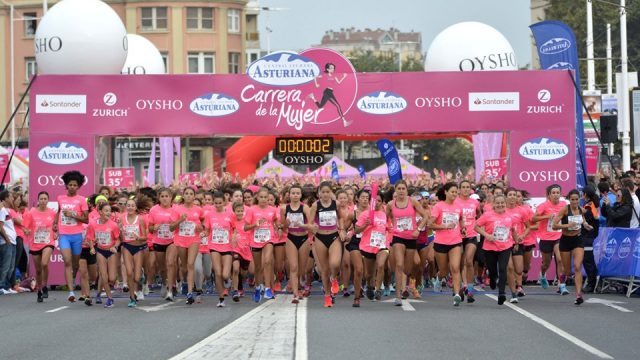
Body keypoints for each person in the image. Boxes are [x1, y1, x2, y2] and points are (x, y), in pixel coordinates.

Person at [386, 180, 429, 306]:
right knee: (399, 265)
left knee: (408, 268)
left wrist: (418, 229)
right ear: (395, 190)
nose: (401, 191)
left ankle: (406, 283)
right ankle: (398, 295)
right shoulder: (390, 204)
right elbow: (386, 217)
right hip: (398, 237)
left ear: (406, 190)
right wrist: (391, 227)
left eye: (403, 188)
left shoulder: (413, 202)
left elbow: (425, 216)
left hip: (411, 237)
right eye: (398, 188)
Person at [428, 182, 466, 306]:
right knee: (444, 271)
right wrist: (444, 226)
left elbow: (460, 219)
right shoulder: (439, 206)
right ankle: (439, 278)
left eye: (456, 192)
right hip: (441, 243)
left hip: (456, 241)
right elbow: (430, 224)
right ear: (446, 192)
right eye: (452, 192)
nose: (455, 194)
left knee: (455, 268)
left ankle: (456, 295)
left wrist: (463, 228)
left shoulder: (458, 206)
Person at [475, 195, 518, 305]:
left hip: (505, 246)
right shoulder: (487, 215)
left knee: (503, 269)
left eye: (502, 203)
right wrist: (486, 235)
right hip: (490, 247)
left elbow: (513, 231)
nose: (500, 205)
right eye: (497, 203)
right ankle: (492, 278)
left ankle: (501, 293)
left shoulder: (510, 216)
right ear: (493, 204)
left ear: (505, 203)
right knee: (493, 270)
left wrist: (516, 242)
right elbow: (476, 226)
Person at [552, 189, 593, 305]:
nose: (575, 202)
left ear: (579, 199)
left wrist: (586, 225)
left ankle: (579, 295)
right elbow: (554, 225)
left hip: (578, 240)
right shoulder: (565, 209)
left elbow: (582, 221)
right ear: (569, 200)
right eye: (572, 199)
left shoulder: (580, 209)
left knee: (577, 266)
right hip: (565, 241)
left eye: (576, 199)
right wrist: (567, 225)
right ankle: (562, 278)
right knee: (567, 271)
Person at [309, 181, 346, 308]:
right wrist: (312, 227)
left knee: (335, 264)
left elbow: (340, 218)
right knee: (324, 270)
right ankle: (327, 297)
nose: (325, 194)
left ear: (331, 193)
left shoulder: (336, 204)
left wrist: (342, 230)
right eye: (323, 192)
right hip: (320, 237)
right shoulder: (315, 205)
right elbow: (309, 222)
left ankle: (334, 278)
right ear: (319, 193)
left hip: (334, 235)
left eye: (327, 192)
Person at [57, 170, 89, 302]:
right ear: (66, 185)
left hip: (77, 235)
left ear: (79, 186)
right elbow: (58, 212)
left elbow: (86, 220)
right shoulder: (60, 198)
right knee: (67, 261)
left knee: (75, 264)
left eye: (75, 185)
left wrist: (73, 215)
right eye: (70, 184)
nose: (72, 187)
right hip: (64, 234)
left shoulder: (81, 200)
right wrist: (54, 223)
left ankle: (74, 278)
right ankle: (70, 292)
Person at [244, 187, 281, 302]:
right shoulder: (252, 210)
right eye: (261, 197)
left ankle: (268, 288)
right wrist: (255, 224)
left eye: (266, 197)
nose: (264, 199)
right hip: (255, 241)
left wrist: (277, 226)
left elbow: (276, 221)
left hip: (269, 239)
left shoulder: (272, 209)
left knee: (268, 261)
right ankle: (258, 287)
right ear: (257, 198)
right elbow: (245, 227)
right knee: (258, 267)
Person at [354, 191, 391, 305]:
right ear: (371, 201)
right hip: (368, 246)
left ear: (382, 202)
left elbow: (388, 228)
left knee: (380, 265)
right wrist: (366, 224)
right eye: (376, 201)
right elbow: (356, 230)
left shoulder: (384, 214)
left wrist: (389, 237)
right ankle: (370, 286)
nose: (377, 203)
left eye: (380, 201)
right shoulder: (365, 214)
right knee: (368, 274)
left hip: (382, 245)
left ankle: (378, 289)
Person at [147, 188, 181, 301]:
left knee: (171, 263)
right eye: (162, 196)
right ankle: (164, 281)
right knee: (162, 268)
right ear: (159, 198)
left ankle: (170, 290)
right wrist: (154, 227)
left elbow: (180, 225)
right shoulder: (153, 210)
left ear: (171, 197)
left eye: (167, 196)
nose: (165, 198)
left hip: (173, 240)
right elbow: (150, 228)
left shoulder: (176, 209)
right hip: (158, 241)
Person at [281, 184, 312, 304]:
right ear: (289, 194)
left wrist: (302, 225)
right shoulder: (284, 208)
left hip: (304, 239)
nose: (295, 195)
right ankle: (295, 293)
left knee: (301, 269)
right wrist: (286, 225)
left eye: (297, 193)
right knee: (293, 267)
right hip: (291, 238)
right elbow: (283, 228)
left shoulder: (305, 208)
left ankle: (297, 285)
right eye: (293, 193)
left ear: (300, 195)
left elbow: (310, 225)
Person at [531, 184, 566, 290]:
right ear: (549, 195)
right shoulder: (544, 206)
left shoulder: (564, 204)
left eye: (557, 193)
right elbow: (533, 218)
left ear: (560, 194)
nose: (556, 195)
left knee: (560, 259)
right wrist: (546, 216)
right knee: (546, 263)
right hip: (546, 238)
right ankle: (542, 274)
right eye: (553, 193)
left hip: (559, 236)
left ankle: (561, 284)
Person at [86, 203, 121, 308]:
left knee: (112, 278)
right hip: (100, 251)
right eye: (106, 211)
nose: (108, 213)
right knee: (104, 276)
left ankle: (101, 290)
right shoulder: (92, 224)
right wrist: (92, 247)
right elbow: (90, 238)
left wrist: (115, 247)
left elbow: (118, 239)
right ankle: (110, 299)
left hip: (111, 251)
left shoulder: (113, 225)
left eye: (109, 211)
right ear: (100, 212)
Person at [205, 191, 235, 307]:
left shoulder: (230, 215)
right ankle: (221, 298)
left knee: (225, 274)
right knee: (217, 273)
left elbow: (235, 228)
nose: (217, 205)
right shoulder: (210, 215)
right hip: (214, 246)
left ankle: (227, 280)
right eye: (215, 203)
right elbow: (208, 230)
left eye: (220, 203)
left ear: (224, 203)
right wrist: (204, 233)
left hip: (227, 246)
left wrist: (233, 236)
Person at [174, 187, 203, 305]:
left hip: (194, 239)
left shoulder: (199, 210)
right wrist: (180, 220)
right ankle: (185, 282)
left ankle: (190, 293)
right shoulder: (177, 209)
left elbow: (203, 224)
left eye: (191, 194)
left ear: (194, 196)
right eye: (186, 193)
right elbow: (171, 227)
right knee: (184, 266)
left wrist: (201, 227)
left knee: (191, 264)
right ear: (183, 195)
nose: (189, 196)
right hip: (180, 239)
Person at [454, 180, 481, 303]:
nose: (465, 189)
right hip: (457, 236)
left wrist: (479, 226)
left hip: (471, 235)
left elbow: (479, 215)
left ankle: (470, 290)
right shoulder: (455, 201)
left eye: (468, 187)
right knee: (459, 264)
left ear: (471, 189)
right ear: (459, 189)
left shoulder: (475, 202)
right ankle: (461, 286)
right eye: (463, 187)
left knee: (469, 261)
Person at [28, 191, 57, 302]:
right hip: (35, 243)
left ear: (48, 200)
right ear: (38, 200)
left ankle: (45, 286)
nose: (43, 201)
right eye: (41, 199)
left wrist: (56, 231)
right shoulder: (32, 212)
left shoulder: (52, 213)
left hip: (48, 242)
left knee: (44, 263)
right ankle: (39, 290)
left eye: (45, 199)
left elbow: (56, 226)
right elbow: (26, 225)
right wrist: (26, 230)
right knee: (38, 270)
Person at [344, 189, 370, 306]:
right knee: (359, 269)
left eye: (367, 197)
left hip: (370, 243)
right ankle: (357, 297)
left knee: (366, 274)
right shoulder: (353, 214)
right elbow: (343, 228)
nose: (365, 199)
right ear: (357, 199)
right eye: (363, 197)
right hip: (355, 243)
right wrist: (345, 235)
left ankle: (364, 286)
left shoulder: (373, 213)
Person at [120, 198, 148, 307]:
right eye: (128, 205)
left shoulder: (140, 219)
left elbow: (145, 237)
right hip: (127, 246)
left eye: (132, 205)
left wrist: (138, 237)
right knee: (129, 273)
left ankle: (140, 279)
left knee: (136, 277)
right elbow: (121, 237)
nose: (130, 207)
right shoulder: (122, 219)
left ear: (136, 208)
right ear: (126, 207)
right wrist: (120, 231)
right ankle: (132, 297)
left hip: (138, 248)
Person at [310, 62, 352, 127]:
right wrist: (316, 84)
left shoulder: (334, 76)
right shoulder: (325, 75)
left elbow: (339, 82)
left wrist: (344, 77)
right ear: (327, 69)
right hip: (327, 92)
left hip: (330, 92)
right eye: (331, 68)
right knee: (337, 106)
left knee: (320, 106)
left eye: (333, 68)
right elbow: (315, 77)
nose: (333, 69)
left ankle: (313, 97)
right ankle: (344, 122)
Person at [231, 202, 252, 302]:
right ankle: (235, 291)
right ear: (234, 211)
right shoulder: (232, 221)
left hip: (246, 249)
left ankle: (240, 286)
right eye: (237, 211)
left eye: (241, 211)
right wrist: (233, 237)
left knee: (243, 272)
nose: (239, 213)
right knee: (235, 269)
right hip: (235, 248)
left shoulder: (247, 221)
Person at [0, 190, 17, 295]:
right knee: (5, 266)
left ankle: (7, 286)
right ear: (5, 198)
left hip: (12, 241)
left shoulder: (6, 210)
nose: (12, 199)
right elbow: (0, 227)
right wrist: (6, 239)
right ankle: (1, 286)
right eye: (10, 197)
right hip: (6, 242)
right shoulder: (1, 210)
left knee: (11, 266)